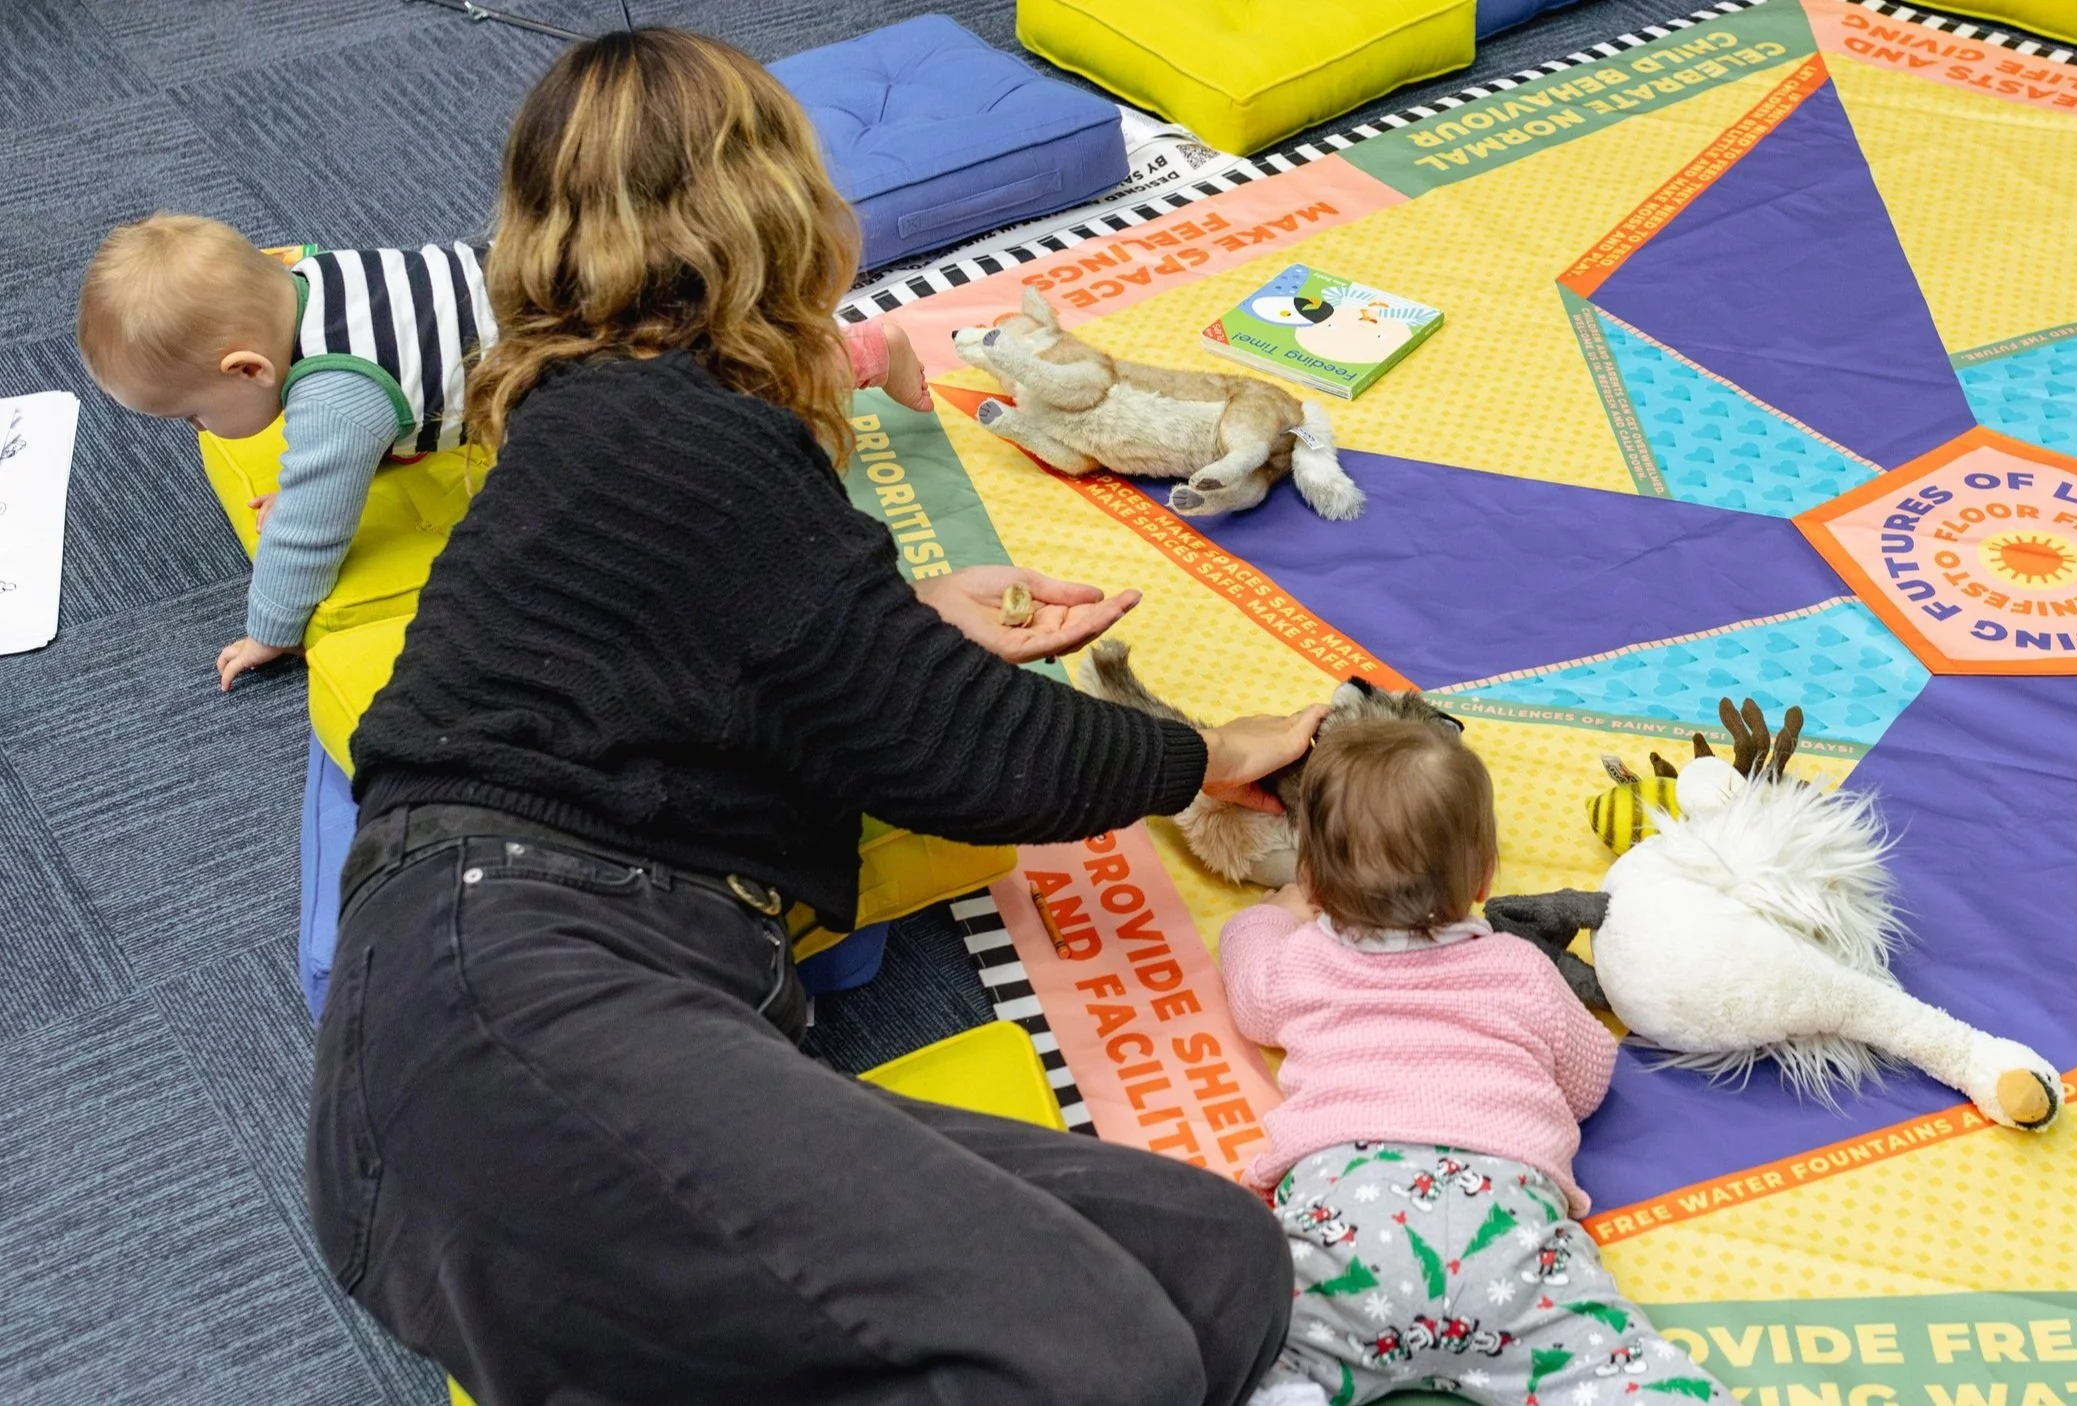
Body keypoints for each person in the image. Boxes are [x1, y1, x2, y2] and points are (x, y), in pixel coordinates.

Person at [304, 28, 1311, 1406]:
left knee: (1223, 1261)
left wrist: (901, 622)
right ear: (775, 215)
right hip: (505, 1002)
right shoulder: (688, 436)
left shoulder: (608, 424)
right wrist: (1207, 755)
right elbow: (976, 753)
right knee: (1104, 1356)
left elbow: (761, 661)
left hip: (554, 1007)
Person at [73, 213, 931, 691]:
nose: (199, 433)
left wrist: (272, 628)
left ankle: (859, 354)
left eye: (193, 415)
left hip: (579, 357)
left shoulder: (333, 398)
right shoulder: (304, 271)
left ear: (249, 368)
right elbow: (401, 366)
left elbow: (307, 528)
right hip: (545, 287)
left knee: (726, 393)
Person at [1217, 719, 1728, 1406]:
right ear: (1486, 875)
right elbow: (1587, 1079)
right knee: (1616, 1370)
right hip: (1505, 1231)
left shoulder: (1305, 961)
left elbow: (1249, 988)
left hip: (1343, 1226)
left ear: (1310, 878)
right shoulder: (1518, 968)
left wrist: (1270, 917)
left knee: (1249, 1361)